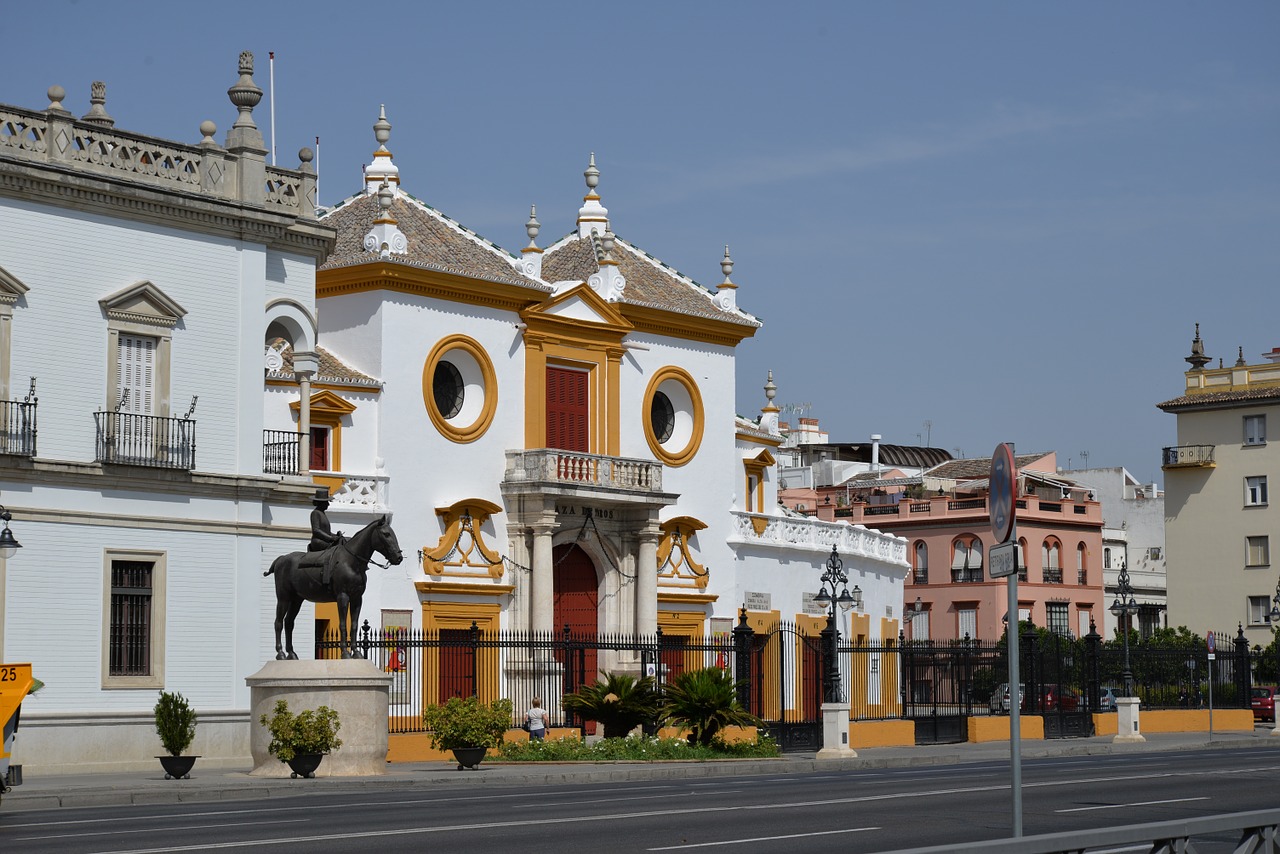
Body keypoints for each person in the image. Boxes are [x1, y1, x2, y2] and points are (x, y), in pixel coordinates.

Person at [308, 488, 341, 552]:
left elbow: (327, 532)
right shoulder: (315, 513)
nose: (328, 504)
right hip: (319, 542)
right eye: (326, 502)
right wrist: (331, 538)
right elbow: (316, 530)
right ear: (321, 503)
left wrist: (336, 536)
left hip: (325, 540)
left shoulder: (322, 513)